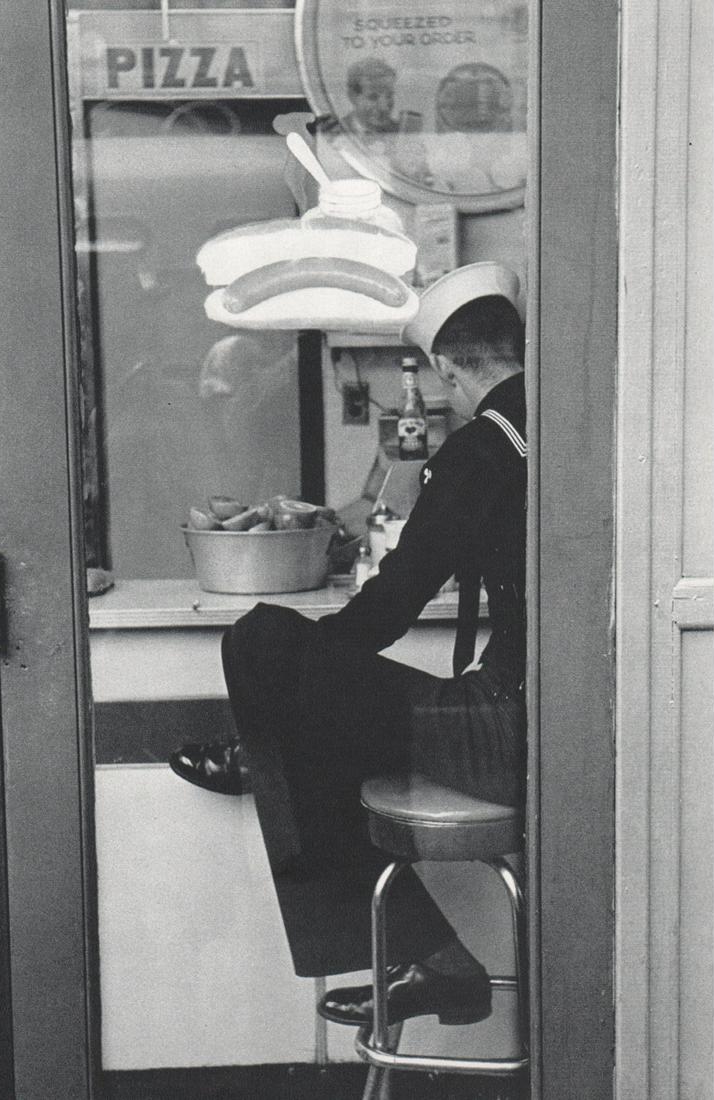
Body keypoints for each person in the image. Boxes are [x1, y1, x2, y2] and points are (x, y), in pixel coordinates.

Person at [171, 262, 528, 1027]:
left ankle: (432, 956)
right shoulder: (563, 431)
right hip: (545, 727)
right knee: (287, 689)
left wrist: (302, 674)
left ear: (446, 369)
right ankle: (433, 958)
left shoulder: (482, 448)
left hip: (501, 735)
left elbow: (394, 602)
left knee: (262, 643)